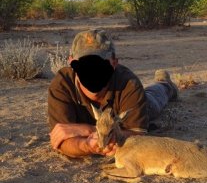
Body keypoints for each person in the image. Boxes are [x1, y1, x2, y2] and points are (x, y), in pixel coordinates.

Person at [48, 29, 178, 158]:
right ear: (71, 63)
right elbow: (61, 141)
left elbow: (137, 134)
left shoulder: (129, 83)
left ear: (114, 63)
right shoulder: (62, 85)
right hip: (116, 128)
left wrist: (86, 130)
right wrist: (87, 145)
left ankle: (164, 83)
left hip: (131, 108)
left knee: (154, 99)